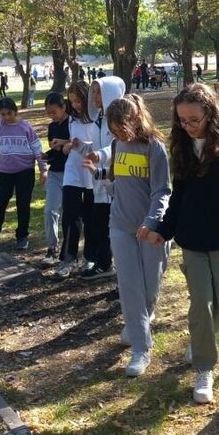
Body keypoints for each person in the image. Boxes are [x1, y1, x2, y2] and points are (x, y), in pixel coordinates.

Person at [145, 83, 219, 403]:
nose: (187, 126)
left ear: (210, 112)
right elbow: (179, 197)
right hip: (191, 239)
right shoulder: (181, 145)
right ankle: (205, 368)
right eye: (181, 120)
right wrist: (163, 229)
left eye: (193, 120)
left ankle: (200, 341)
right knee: (201, 304)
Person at [90, 94, 170, 377]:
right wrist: (99, 176)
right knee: (129, 286)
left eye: (120, 129)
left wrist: (151, 222)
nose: (117, 135)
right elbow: (117, 186)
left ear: (136, 120)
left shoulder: (154, 148)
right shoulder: (116, 144)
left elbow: (162, 191)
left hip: (151, 231)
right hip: (120, 226)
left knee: (149, 288)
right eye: (112, 131)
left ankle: (139, 323)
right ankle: (141, 347)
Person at [0, 97, 47, 251]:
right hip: (5, 172)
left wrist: (43, 169)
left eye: (8, 113)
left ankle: (22, 236)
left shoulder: (26, 128)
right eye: (2, 114)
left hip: (25, 172)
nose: (6, 117)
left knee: (23, 204)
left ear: (15, 112)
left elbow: (37, 149)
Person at [79, 76, 124, 280]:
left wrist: (99, 156)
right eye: (93, 91)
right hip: (98, 179)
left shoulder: (118, 119)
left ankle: (106, 264)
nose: (95, 96)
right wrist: (79, 146)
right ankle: (103, 262)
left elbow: (114, 146)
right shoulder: (99, 119)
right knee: (99, 223)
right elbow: (96, 148)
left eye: (99, 92)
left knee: (106, 225)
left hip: (114, 180)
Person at [54, 81, 98, 278]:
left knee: (91, 217)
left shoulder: (98, 118)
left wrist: (75, 145)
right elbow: (75, 142)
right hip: (73, 171)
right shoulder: (71, 119)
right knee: (70, 215)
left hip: (91, 172)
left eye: (79, 101)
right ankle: (68, 258)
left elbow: (97, 147)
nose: (76, 106)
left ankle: (90, 256)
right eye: (72, 102)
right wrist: (66, 144)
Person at [41, 92, 69, 265]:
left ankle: (68, 250)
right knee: (50, 209)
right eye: (48, 112)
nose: (51, 115)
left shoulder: (73, 123)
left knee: (69, 213)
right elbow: (55, 150)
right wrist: (47, 155)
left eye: (54, 112)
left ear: (63, 108)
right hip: (55, 173)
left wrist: (64, 142)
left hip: (71, 174)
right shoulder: (52, 127)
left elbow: (78, 143)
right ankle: (52, 247)